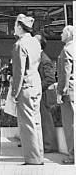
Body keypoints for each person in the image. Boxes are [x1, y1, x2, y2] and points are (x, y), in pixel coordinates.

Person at [11, 14, 44, 165]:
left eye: (15, 26)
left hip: (25, 87)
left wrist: (14, 93)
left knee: (27, 125)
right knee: (36, 122)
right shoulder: (35, 42)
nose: (14, 29)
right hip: (36, 84)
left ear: (19, 27)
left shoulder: (20, 45)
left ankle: (32, 159)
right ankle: (39, 156)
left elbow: (18, 72)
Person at [34, 34, 57, 154]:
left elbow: (50, 79)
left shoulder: (44, 59)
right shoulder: (38, 57)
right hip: (41, 93)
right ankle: (44, 144)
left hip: (44, 94)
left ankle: (49, 146)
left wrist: (37, 89)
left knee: (46, 119)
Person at [56, 25, 74, 164]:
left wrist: (60, 92)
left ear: (69, 35)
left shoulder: (66, 50)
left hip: (69, 92)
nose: (60, 34)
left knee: (70, 125)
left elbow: (64, 75)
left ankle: (72, 155)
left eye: (63, 32)